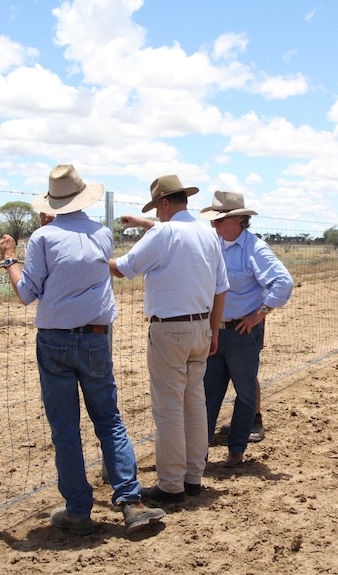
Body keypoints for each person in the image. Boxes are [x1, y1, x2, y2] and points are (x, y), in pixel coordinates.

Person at [0, 164, 165, 535]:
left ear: (52, 203)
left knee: (65, 428)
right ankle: (131, 501)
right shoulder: (102, 234)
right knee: (108, 419)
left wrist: (10, 258)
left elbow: (26, 293)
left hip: (55, 338)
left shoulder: (43, 237)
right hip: (95, 337)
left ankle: (77, 510)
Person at [109, 175, 228, 503]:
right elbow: (221, 288)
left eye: (157, 210)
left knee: (169, 407)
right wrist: (214, 330)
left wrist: (92, 258)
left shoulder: (163, 232)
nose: (158, 216)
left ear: (163, 203)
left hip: (169, 330)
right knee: (194, 401)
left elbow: (125, 267)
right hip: (202, 328)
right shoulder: (208, 234)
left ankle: (171, 484)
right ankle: (193, 476)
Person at [199, 190, 293, 467]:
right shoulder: (213, 244)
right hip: (214, 330)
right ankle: (199, 454)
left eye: (219, 220)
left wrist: (259, 314)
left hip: (242, 332)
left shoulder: (255, 248)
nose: (213, 225)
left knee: (245, 391)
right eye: (213, 220)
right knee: (207, 392)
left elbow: (283, 283)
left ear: (239, 220)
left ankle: (236, 449)